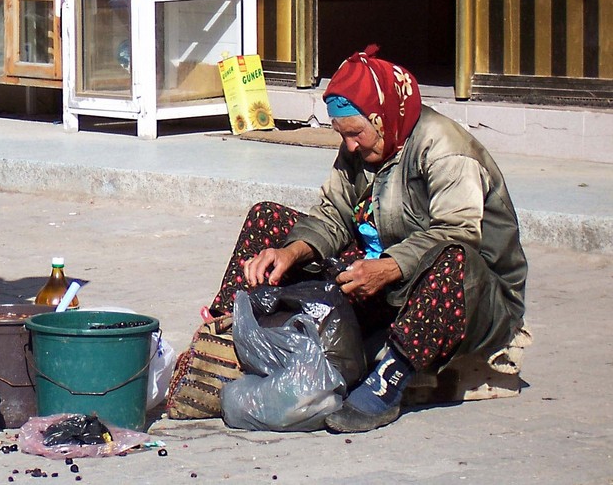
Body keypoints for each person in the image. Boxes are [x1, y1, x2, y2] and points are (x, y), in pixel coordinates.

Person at [213, 45, 528, 433]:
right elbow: (333, 214)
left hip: (470, 298)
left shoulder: (445, 150)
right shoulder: (360, 148)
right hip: (379, 279)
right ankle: (226, 337)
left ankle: (389, 379)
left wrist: (389, 268)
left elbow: (457, 232)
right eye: (341, 135)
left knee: (453, 257)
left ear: (384, 117)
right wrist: (291, 252)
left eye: (356, 133)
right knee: (268, 222)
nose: (350, 146)